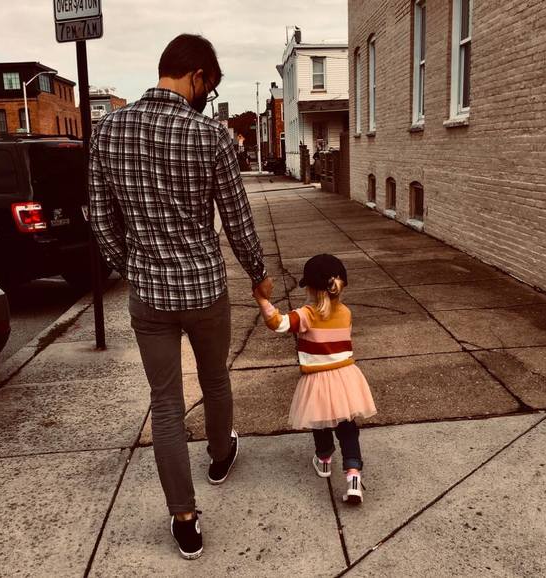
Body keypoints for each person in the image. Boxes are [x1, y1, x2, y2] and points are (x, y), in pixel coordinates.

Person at [89, 33, 273, 560]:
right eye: (208, 90)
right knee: (214, 378)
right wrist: (258, 275)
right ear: (195, 77)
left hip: (149, 295)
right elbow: (237, 220)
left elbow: (99, 217)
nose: (207, 100)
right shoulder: (210, 136)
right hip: (205, 289)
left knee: (165, 403)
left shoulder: (109, 131)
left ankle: (185, 519)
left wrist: (132, 267)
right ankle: (219, 456)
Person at [253, 254, 376, 504]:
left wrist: (262, 299)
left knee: (320, 422)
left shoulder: (306, 314)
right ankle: (353, 475)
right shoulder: (346, 313)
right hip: (345, 377)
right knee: (348, 427)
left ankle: (324, 459)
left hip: (318, 379)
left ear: (310, 288)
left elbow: (277, 323)